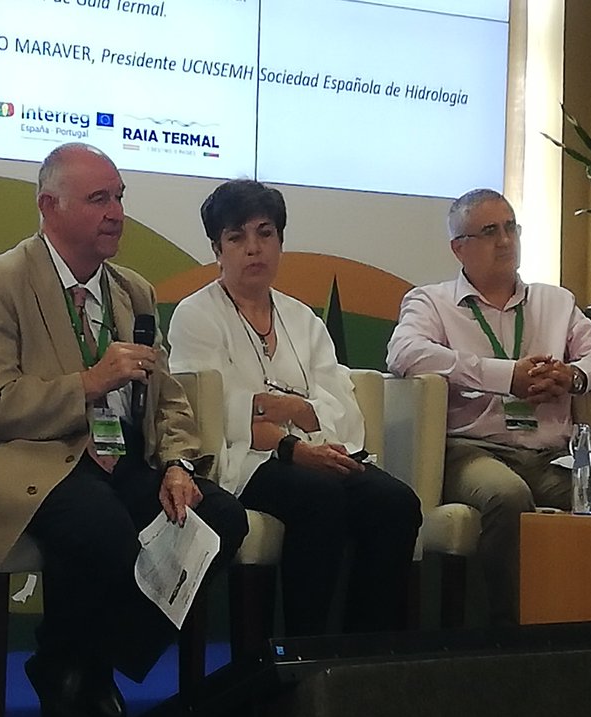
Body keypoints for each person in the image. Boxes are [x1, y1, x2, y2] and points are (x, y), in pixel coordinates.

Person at [0, 143, 247, 717]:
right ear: (48, 207)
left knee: (220, 518)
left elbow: (166, 399)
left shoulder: (132, 289)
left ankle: (79, 662)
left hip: (123, 460)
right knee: (105, 529)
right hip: (36, 463)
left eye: (119, 198)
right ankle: (78, 665)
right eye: (98, 199)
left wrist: (179, 464)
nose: (116, 213)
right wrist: (89, 382)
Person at [168, 179, 421, 637]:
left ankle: (365, 656)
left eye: (265, 233)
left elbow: (339, 405)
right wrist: (288, 430)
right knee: (317, 497)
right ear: (216, 249)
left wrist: (276, 407)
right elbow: (214, 411)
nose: (254, 248)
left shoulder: (302, 318)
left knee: (395, 503)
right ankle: (301, 655)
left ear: (281, 242)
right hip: (243, 462)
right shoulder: (196, 314)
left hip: (319, 452)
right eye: (236, 237)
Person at [386, 188, 591, 626]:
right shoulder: (432, 302)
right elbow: (405, 354)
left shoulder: (554, 302)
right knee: (506, 494)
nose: (505, 240)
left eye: (511, 227)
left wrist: (574, 376)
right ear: (459, 248)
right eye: (490, 231)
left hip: (555, 455)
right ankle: (506, 634)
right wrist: (504, 376)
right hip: (475, 450)